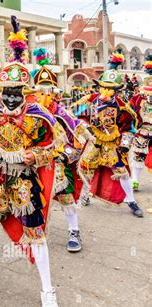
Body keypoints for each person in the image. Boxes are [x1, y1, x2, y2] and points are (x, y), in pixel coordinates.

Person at [0, 16, 61, 307]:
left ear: (26, 92)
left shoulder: (40, 115)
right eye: (5, 91)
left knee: (36, 233)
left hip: (24, 178)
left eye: (15, 92)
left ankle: (47, 290)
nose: (9, 97)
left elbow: (56, 145)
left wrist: (37, 156)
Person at [71, 50, 143, 218]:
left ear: (117, 91)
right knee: (85, 167)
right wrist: (86, 130)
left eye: (111, 89)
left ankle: (130, 200)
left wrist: (125, 145)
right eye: (104, 87)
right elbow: (75, 117)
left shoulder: (121, 106)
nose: (106, 92)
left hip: (112, 144)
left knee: (121, 171)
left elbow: (129, 128)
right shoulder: (88, 101)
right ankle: (84, 194)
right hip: (93, 140)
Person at [32, 47, 90, 252]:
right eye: (40, 90)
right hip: (33, 162)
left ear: (54, 92)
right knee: (31, 196)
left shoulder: (62, 113)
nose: (43, 95)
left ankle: (73, 230)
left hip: (57, 161)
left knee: (66, 194)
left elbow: (80, 138)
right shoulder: (29, 112)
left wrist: (65, 155)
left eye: (47, 90)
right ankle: (35, 230)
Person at [128, 54, 152, 191]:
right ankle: (135, 180)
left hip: (142, 130)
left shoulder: (138, 96)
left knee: (138, 154)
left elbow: (130, 110)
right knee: (138, 154)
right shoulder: (138, 96)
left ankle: (135, 180)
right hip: (143, 129)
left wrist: (133, 124)